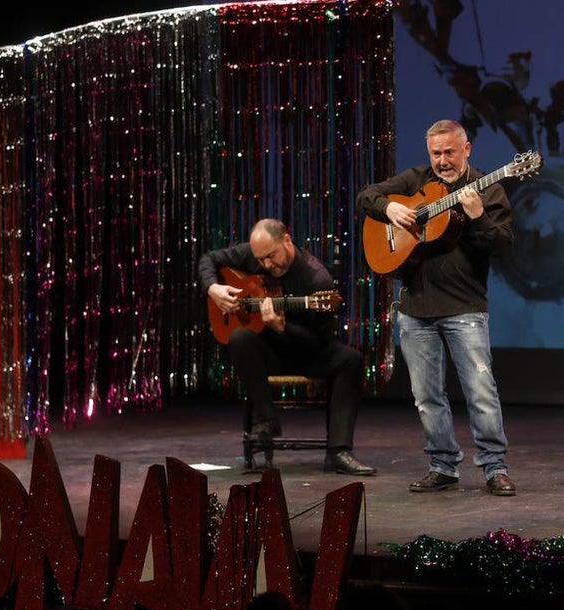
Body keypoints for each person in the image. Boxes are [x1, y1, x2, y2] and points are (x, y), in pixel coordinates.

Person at [356, 119, 516, 496]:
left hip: (465, 307)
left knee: (480, 392)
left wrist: (477, 217)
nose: (443, 160)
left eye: (449, 152)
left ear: (467, 149)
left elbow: (502, 245)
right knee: (426, 396)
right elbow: (366, 195)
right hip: (415, 309)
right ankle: (442, 465)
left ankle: (495, 467)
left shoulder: (487, 188)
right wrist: (390, 209)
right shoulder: (416, 180)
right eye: (436, 153)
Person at [198, 218, 375, 476]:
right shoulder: (255, 254)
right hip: (269, 353)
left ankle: (339, 451)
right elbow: (208, 259)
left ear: (287, 241)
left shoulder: (317, 280)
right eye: (261, 260)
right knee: (239, 338)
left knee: (351, 360)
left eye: (271, 256)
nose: (267, 265)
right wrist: (213, 288)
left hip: (308, 350)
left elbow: (321, 339)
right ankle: (266, 421)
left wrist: (282, 327)